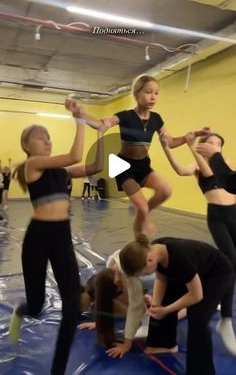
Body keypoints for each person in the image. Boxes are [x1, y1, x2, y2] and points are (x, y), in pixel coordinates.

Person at [9, 99, 105, 375]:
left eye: (49, 136)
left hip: (62, 238)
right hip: (38, 239)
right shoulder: (33, 165)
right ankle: (21, 310)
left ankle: (58, 371)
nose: (48, 140)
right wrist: (80, 118)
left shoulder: (60, 172)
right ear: (28, 146)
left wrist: (98, 131)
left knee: (72, 308)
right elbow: (74, 156)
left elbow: (95, 165)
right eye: (41, 137)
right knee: (37, 306)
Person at [80, 74, 210, 236]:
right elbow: (101, 124)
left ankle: (143, 213)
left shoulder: (156, 119)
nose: (153, 97)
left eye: (156, 93)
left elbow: (170, 142)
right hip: (123, 166)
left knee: (165, 190)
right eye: (148, 92)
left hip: (143, 165)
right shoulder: (125, 116)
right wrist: (82, 115)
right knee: (141, 207)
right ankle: (139, 237)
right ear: (136, 94)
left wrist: (191, 135)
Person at [159, 131, 236, 354]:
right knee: (230, 261)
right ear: (203, 146)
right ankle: (225, 321)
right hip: (218, 217)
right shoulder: (197, 166)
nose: (215, 146)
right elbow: (182, 170)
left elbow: (226, 178)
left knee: (233, 265)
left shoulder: (226, 164)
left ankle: (210, 297)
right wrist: (168, 147)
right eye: (210, 142)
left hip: (234, 215)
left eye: (218, 144)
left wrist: (198, 147)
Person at [118, 234, 234, 375]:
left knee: (198, 317)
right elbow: (161, 280)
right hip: (195, 273)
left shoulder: (180, 257)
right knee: (163, 299)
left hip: (218, 273)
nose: (144, 276)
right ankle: (165, 344)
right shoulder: (155, 251)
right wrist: (156, 305)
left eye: (144, 273)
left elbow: (196, 295)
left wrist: (166, 310)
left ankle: (202, 371)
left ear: (149, 260)